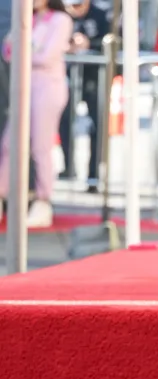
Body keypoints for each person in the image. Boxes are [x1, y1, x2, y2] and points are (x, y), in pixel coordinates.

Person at [0, 0, 72, 227]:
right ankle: (2, 194)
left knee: (41, 146)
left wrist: (23, 52)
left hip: (48, 88)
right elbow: (8, 52)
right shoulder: (27, 19)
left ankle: (43, 200)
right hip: (25, 87)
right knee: (9, 143)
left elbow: (47, 55)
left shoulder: (61, 20)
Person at [58, 0, 112, 190]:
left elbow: (113, 42)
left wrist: (90, 44)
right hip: (66, 76)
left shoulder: (102, 14)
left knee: (96, 125)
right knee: (65, 123)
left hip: (94, 77)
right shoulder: (60, 15)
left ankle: (93, 177)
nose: (76, 9)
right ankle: (68, 168)